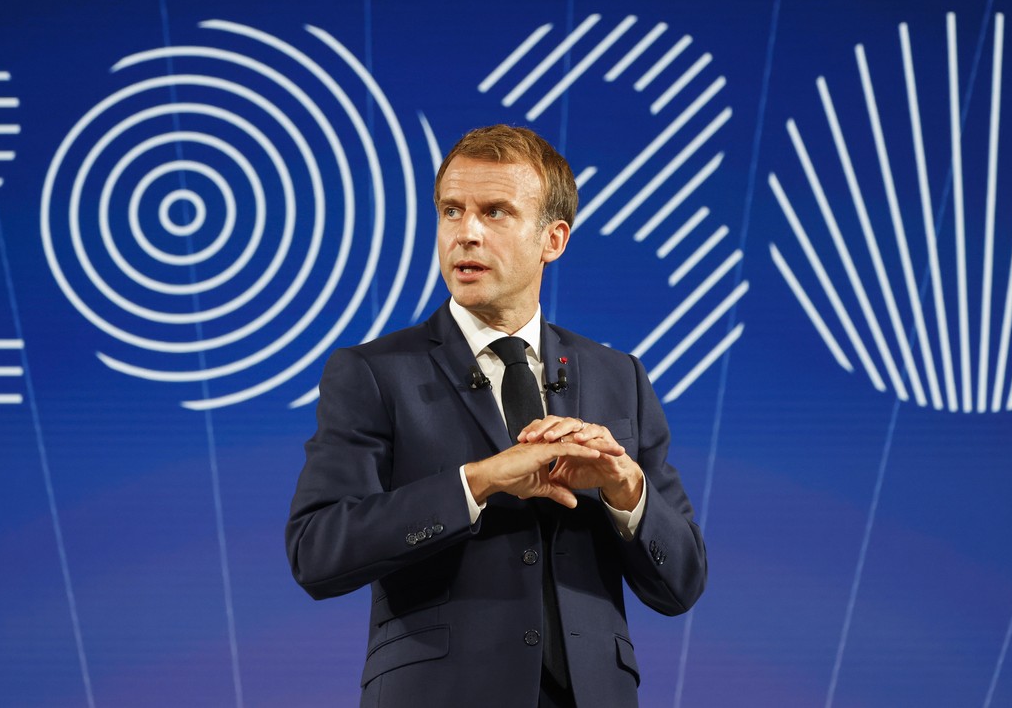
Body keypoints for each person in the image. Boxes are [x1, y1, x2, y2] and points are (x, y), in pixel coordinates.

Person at [286, 125, 707, 708]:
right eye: (451, 211)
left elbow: (681, 583)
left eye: (496, 212)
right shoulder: (374, 372)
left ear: (552, 239)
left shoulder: (620, 378)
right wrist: (477, 483)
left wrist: (626, 489)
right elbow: (317, 550)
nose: (466, 234)